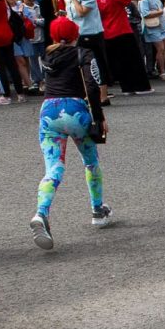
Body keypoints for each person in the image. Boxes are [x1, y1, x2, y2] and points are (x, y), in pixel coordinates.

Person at [29, 16, 113, 250]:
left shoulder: (45, 55)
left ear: (54, 37)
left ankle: (41, 213)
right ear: (76, 34)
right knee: (91, 162)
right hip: (75, 109)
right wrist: (99, 117)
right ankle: (97, 208)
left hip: (49, 111)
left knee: (53, 168)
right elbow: (93, 84)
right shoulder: (84, 54)